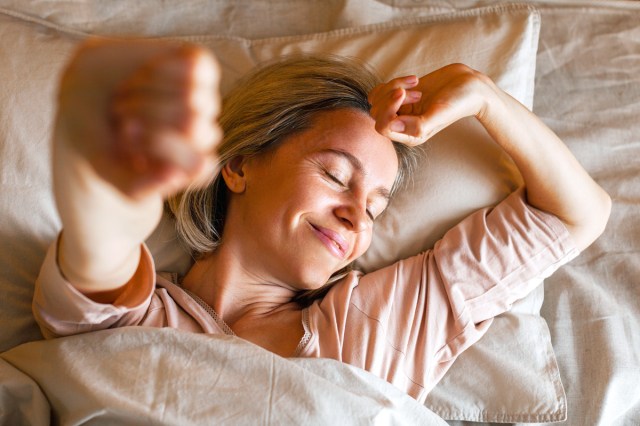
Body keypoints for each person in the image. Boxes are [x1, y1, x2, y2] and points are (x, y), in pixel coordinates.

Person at [33, 39, 611, 401]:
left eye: (377, 205)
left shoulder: (386, 319)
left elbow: (578, 214)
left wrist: (486, 97)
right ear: (237, 166)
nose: (357, 213)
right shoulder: (138, 319)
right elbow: (99, 242)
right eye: (336, 176)